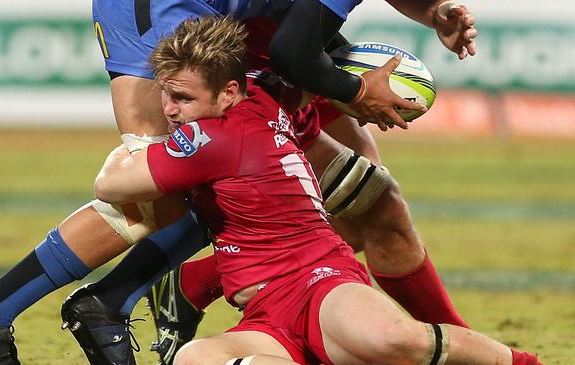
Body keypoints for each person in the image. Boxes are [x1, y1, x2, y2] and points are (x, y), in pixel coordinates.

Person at [0, 1, 475, 364]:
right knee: (156, 188)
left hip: (249, 17)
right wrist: (353, 90)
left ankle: (150, 291)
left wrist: (430, 12)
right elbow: (293, 52)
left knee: (365, 195)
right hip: (174, 8)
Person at [94, 15, 542, 365]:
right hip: (265, 313)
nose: (168, 111)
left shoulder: (203, 143)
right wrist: (362, 83)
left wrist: (135, 147)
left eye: (182, 99)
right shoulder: (268, 94)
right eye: (166, 96)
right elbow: (304, 69)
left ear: (229, 92)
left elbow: (109, 186)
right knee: (195, 357)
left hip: (319, 280)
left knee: (392, 338)